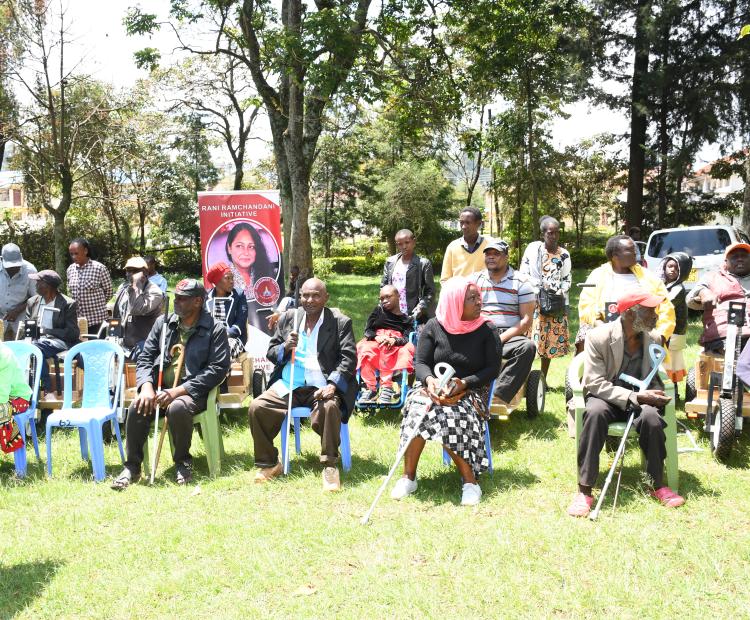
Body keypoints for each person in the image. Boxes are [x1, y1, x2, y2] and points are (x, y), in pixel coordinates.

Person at [568, 291, 684, 517]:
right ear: (631, 313)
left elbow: (655, 376)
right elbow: (594, 383)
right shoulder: (598, 337)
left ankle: (656, 484)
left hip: (640, 398)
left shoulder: (654, 338)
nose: (655, 314)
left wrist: (657, 394)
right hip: (606, 397)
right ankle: (584, 490)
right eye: (650, 310)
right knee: (594, 414)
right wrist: (634, 398)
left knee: (652, 418)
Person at [391, 277, 501, 506]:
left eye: (478, 296)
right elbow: (420, 363)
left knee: (450, 416)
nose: (478, 301)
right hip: (432, 388)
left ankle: (470, 482)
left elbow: (492, 369)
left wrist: (464, 383)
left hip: (471, 391)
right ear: (455, 302)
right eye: (471, 298)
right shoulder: (434, 326)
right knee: (417, 408)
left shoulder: (487, 329)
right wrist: (430, 381)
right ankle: (408, 477)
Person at [111, 279, 231, 489]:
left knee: (177, 407)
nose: (177, 302)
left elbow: (217, 369)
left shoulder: (215, 328)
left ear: (197, 301)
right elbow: (146, 357)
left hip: (193, 392)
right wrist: (146, 386)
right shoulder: (164, 323)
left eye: (183, 299)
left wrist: (177, 391)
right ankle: (132, 467)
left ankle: (182, 462)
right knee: (137, 406)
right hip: (159, 389)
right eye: (176, 297)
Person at [248, 278, 357, 492]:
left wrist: (333, 385)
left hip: (322, 384)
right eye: (305, 295)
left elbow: (348, 358)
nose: (310, 300)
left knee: (330, 407)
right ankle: (270, 463)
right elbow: (272, 352)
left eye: (316, 295)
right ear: (299, 297)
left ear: (326, 298)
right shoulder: (290, 318)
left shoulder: (339, 321)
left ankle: (330, 466)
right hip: (290, 384)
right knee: (257, 407)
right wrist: (285, 347)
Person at [577, 235, 675, 352]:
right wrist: (603, 329)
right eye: (629, 249)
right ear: (614, 256)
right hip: (606, 336)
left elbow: (666, 307)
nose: (635, 252)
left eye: (634, 248)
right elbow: (586, 307)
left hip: (643, 339)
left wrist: (661, 336)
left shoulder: (649, 277)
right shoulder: (598, 276)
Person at [470, 239, 536, 405]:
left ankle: (496, 397)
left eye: (496, 254)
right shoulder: (475, 280)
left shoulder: (521, 282)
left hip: (508, 335)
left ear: (506, 257)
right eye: (488, 254)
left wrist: (500, 339)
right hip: (479, 332)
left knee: (527, 347)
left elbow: (526, 320)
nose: (491, 257)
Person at [519, 216, 572, 379]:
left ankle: (542, 379)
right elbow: (523, 273)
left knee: (549, 344)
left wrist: (558, 291)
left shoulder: (564, 255)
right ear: (543, 234)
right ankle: (525, 379)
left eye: (557, 232)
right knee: (530, 342)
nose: (554, 236)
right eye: (550, 233)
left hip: (554, 304)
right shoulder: (533, 250)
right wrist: (538, 287)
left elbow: (567, 279)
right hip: (534, 303)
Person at [686, 242, 750, 353]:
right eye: (734, 257)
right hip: (723, 334)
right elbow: (690, 299)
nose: (740, 259)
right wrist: (704, 293)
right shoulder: (712, 277)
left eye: (744, 256)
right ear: (726, 261)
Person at [357, 285, 415, 405]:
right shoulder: (378, 311)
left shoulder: (406, 320)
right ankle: (370, 388)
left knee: (388, 349)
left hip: (395, 345)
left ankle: (386, 388)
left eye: (388, 297)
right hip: (375, 341)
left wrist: (394, 340)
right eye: (381, 298)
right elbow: (368, 330)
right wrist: (377, 337)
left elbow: (406, 338)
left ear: (398, 296)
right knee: (364, 349)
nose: (384, 301)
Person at [25, 270, 80, 398]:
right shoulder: (32, 302)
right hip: (36, 341)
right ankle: (26, 390)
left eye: (38, 282)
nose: (35, 285)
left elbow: (72, 333)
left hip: (59, 341)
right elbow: (26, 327)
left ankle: (46, 388)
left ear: (48, 285)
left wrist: (47, 331)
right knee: (25, 348)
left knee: (35, 348)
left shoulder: (67, 304)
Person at [112, 257, 165, 361]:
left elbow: (137, 309)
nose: (130, 274)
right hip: (124, 346)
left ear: (145, 272)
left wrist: (137, 286)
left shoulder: (154, 292)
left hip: (144, 347)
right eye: (128, 270)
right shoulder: (123, 288)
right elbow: (119, 313)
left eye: (135, 271)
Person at [381, 229, 435, 323]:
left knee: (411, 337)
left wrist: (421, 307)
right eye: (400, 244)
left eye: (407, 242)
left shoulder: (423, 264)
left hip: (413, 313)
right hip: (392, 312)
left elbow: (430, 291)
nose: (404, 246)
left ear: (414, 242)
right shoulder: (390, 262)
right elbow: (384, 286)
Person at [659, 252, 692, 391]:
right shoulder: (665, 285)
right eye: (669, 266)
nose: (672, 270)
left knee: (671, 363)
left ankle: (675, 392)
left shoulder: (678, 289)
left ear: (682, 271)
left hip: (674, 332)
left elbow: (665, 302)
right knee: (666, 361)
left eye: (677, 268)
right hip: (666, 330)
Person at [67, 237, 113, 335]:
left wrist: (97, 305)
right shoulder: (70, 270)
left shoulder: (99, 268)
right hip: (78, 322)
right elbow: (71, 293)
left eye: (76, 253)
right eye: (71, 254)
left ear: (85, 251)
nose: (74, 257)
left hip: (96, 320)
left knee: (97, 348)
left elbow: (109, 292)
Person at [205, 261, 249, 360]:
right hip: (211, 339)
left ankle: (220, 374)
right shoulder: (207, 298)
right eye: (227, 278)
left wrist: (225, 335)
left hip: (233, 338)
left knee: (223, 352)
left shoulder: (238, 295)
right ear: (217, 281)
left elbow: (241, 321)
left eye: (232, 278)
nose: (232, 281)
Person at [225, 222, 274, 301]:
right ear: (229, 248)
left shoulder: (266, 274)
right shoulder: (222, 279)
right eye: (239, 246)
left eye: (251, 246)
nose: (246, 252)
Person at [440, 207, 490, 283]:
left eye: (468, 222)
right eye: (461, 222)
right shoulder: (452, 247)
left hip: (484, 293)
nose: (463, 226)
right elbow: (445, 279)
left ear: (479, 224)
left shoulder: (489, 245)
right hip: (459, 294)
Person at [0, 342, 32, 454]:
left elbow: (2, 395)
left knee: (1, 409)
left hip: (18, 397)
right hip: (4, 395)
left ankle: (13, 444)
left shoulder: (4, 355)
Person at [0, 243, 37, 340]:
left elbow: (36, 297)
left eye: (16, 266)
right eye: (9, 267)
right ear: (2, 260)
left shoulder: (30, 270)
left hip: (22, 319)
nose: (13, 269)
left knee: (22, 350)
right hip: (1, 319)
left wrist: (17, 311)